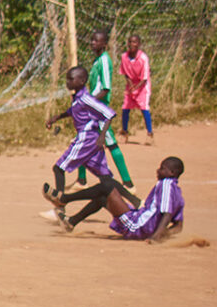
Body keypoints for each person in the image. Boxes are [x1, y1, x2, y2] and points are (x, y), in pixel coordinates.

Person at [42, 66, 131, 207]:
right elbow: (73, 111)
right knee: (106, 179)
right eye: (67, 79)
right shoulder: (78, 97)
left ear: (82, 81)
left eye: (71, 79)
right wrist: (57, 117)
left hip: (87, 138)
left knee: (59, 168)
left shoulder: (86, 98)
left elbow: (108, 114)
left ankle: (60, 205)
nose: (67, 82)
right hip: (91, 140)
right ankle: (136, 202)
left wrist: (102, 137)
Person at [47, 157, 184, 241]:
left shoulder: (166, 184)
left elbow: (167, 214)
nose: (158, 170)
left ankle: (64, 199)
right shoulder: (178, 194)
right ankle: (71, 221)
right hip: (140, 223)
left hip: (137, 226)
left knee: (107, 186)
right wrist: (163, 234)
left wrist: (155, 237)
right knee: (103, 197)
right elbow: (178, 226)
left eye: (162, 168)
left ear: (171, 173)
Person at [78, 30, 133, 188]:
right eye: (92, 40)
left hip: (100, 111)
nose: (93, 43)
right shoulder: (97, 60)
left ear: (104, 44)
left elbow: (106, 88)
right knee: (83, 139)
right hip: (93, 110)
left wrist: (89, 101)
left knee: (111, 144)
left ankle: (128, 183)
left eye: (97, 41)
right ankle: (81, 180)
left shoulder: (104, 61)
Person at [119, 34, 153, 145]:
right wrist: (130, 85)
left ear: (139, 44)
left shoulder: (143, 58)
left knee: (144, 108)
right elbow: (125, 73)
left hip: (142, 86)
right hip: (131, 85)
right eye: (130, 42)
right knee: (125, 108)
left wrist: (136, 87)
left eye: (135, 42)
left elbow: (145, 78)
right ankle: (124, 133)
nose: (132, 44)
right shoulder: (124, 57)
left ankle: (150, 134)